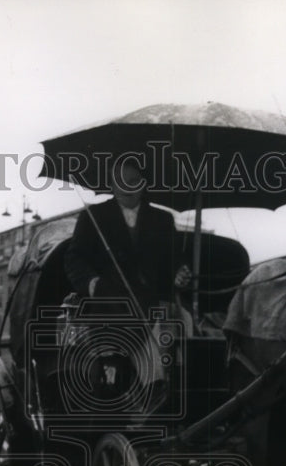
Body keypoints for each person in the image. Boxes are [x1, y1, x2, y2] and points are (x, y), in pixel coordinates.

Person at [63, 159, 191, 410]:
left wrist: (180, 274)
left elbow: (173, 262)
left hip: (154, 303)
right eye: (120, 181)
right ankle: (152, 390)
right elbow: (73, 257)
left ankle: (179, 388)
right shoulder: (93, 217)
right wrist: (93, 284)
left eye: (133, 181)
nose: (127, 187)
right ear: (111, 184)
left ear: (143, 184)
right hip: (109, 305)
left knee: (185, 325)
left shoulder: (162, 220)